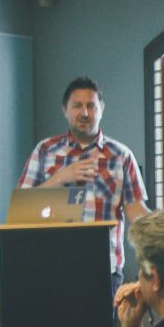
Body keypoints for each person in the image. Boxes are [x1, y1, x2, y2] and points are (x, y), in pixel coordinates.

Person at [18, 76, 150, 290]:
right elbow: (22, 208)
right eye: (77, 105)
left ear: (101, 109)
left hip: (104, 269)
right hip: (51, 266)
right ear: (65, 110)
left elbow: (136, 210)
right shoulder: (45, 150)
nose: (85, 113)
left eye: (91, 106)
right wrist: (61, 177)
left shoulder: (121, 155)